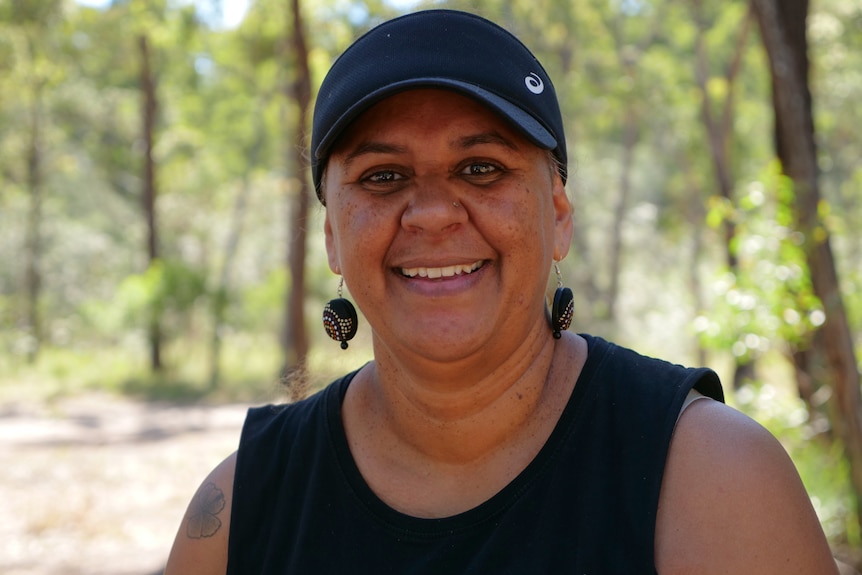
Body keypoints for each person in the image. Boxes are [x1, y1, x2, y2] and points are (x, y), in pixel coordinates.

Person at [164, 9, 838, 574]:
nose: (432, 212)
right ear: (333, 239)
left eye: (481, 167)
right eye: (382, 176)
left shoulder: (712, 477)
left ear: (559, 214)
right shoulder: (241, 507)